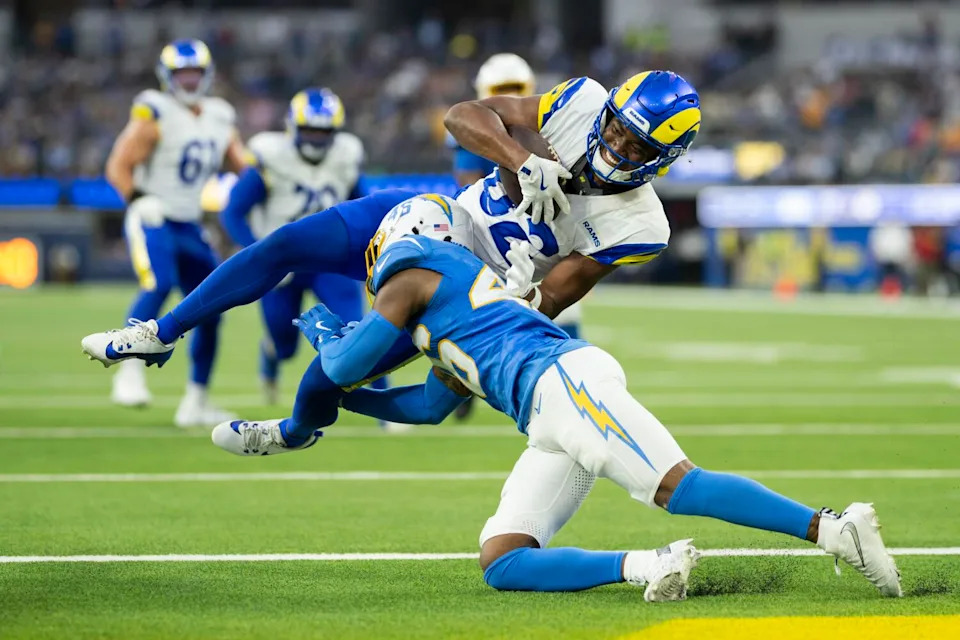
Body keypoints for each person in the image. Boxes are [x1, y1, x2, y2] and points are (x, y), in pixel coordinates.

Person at [214, 196, 903, 599]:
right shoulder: (445, 298)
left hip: (563, 384)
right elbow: (426, 407)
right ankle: (651, 566)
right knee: (504, 558)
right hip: (548, 416)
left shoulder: (412, 271)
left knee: (675, 486)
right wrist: (344, 407)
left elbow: (355, 360)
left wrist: (327, 356)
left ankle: (834, 528)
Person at [82, 69, 700, 446]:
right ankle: (160, 333)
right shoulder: (581, 104)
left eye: (633, 142)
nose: (614, 142)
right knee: (284, 245)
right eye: (616, 127)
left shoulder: (639, 224)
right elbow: (464, 115)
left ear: (661, 159)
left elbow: (560, 293)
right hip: (435, 212)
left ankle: (296, 430)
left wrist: (516, 303)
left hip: (463, 289)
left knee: (349, 376)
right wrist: (521, 160)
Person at [103, 38, 246, 426]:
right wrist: (136, 198)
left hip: (190, 222)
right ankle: (127, 368)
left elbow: (242, 167)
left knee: (213, 306)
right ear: (167, 76)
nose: (187, 80)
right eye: (181, 73)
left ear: (207, 75)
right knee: (159, 283)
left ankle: (196, 401)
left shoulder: (219, 115)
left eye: (194, 73)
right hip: (153, 214)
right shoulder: (155, 110)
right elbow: (117, 165)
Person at [448, 53, 583, 422]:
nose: (508, 96)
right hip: (499, 231)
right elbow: (470, 180)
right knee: (475, 308)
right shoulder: (478, 127)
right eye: (501, 91)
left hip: (549, 232)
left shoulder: (552, 123)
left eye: (514, 90)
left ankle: (565, 383)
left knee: (564, 308)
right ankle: (460, 377)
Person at [219, 88, 368, 404]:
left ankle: (383, 409)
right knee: (285, 345)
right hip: (284, 263)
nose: (316, 138)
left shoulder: (346, 155)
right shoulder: (271, 157)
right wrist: (261, 256)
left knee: (361, 333)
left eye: (323, 131)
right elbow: (232, 212)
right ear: (293, 127)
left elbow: (363, 205)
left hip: (332, 261)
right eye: (310, 130)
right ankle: (271, 353)